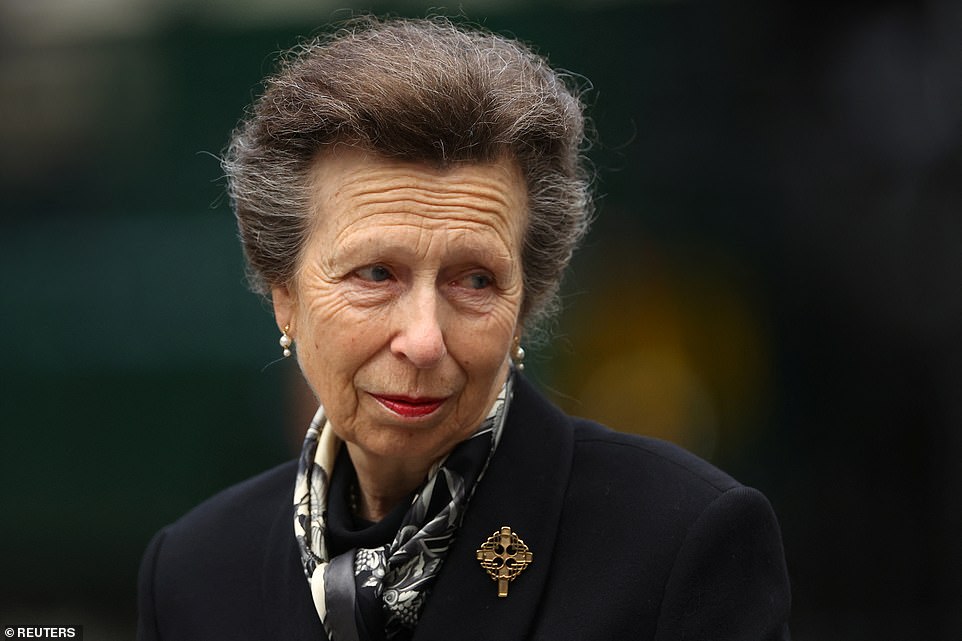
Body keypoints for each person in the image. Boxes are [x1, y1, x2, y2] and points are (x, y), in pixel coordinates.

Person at [137, 16, 791, 641]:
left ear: (525, 303)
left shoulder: (679, 544)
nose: (424, 340)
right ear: (285, 296)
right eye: (375, 273)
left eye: (475, 280)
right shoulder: (194, 574)